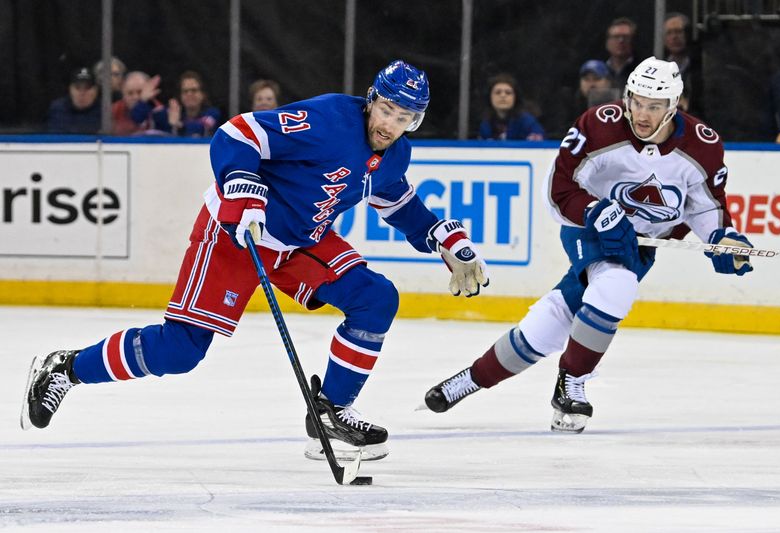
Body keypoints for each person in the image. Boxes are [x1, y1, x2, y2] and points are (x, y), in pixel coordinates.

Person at [21, 60, 489, 463]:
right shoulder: (328, 118)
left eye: (404, 116)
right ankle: (66, 368)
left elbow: (397, 202)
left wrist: (443, 238)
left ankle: (329, 413)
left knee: (376, 298)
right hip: (239, 231)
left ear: (416, 121)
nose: (390, 123)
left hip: (301, 242)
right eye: (386, 109)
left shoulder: (395, 153)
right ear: (371, 101)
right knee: (181, 350)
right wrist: (244, 190)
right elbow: (238, 133)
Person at [424, 57, 754, 434]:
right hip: (586, 225)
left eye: (654, 106)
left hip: (640, 244)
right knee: (617, 284)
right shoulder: (598, 125)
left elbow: (706, 205)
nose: (642, 114)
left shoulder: (703, 146)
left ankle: (471, 378)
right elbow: (559, 188)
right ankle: (572, 382)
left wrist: (721, 238)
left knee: (556, 319)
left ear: (674, 106)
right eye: (636, 101)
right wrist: (596, 212)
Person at [152, 70, 221, 137]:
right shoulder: (172, 112)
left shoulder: (212, 113)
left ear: (203, 94)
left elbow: (202, 128)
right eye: (185, 91)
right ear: (180, 95)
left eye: (194, 90)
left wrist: (178, 125)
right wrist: (144, 100)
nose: (189, 94)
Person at [478, 73, 545, 140]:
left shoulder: (527, 122)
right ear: (490, 97)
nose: (503, 96)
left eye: (508, 92)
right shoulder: (485, 124)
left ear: (515, 97)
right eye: (498, 92)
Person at [663, 12, 702, 117]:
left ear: (688, 34)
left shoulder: (701, 66)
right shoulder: (660, 68)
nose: (674, 37)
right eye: (669, 33)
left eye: (678, 32)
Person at [46, 67, 101, 134]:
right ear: (70, 89)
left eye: (87, 88)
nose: (82, 93)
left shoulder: (105, 111)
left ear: (96, 91)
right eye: (77, 87)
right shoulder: (58, 109)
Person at [111, 71, 164, 135]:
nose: (135, 97)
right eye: (130, 93)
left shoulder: (158, 110)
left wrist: (143, 101)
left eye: (140, 92)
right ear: (123, 94)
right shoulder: (114, 110)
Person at [605, 17, 638, 90]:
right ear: (607, 42)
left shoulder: (641, 70)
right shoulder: (600, 70)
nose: (621, 41)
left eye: (626, 37)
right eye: (616, 37)